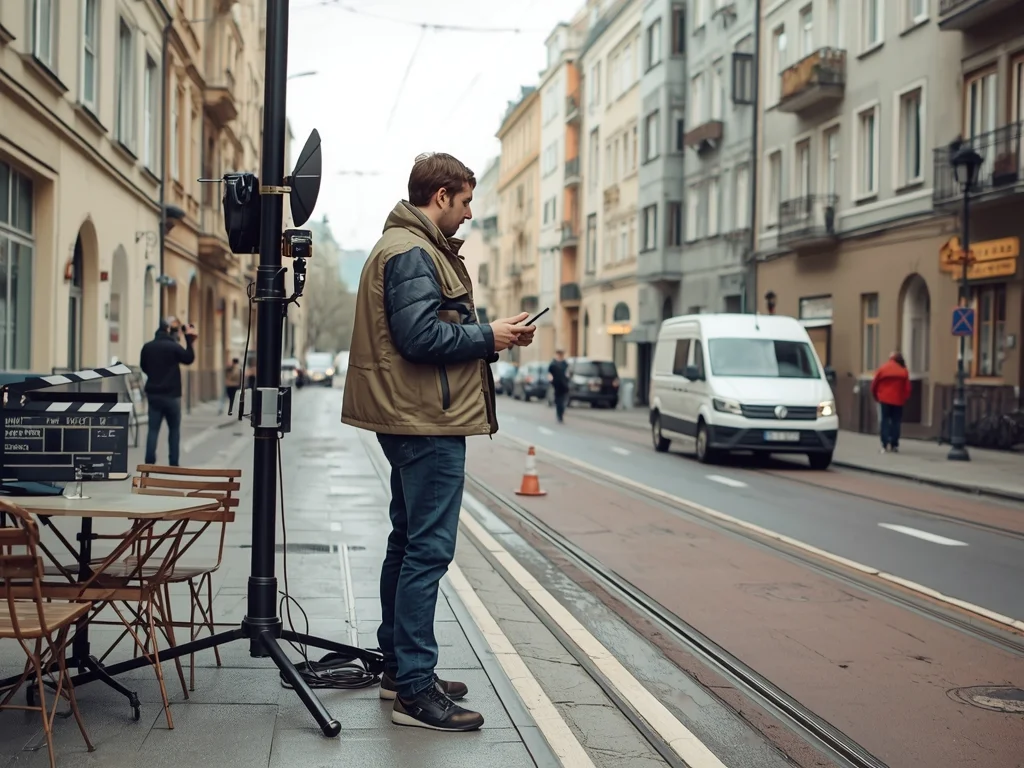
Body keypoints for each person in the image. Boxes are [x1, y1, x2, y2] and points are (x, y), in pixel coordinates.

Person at [342, 152, 535, 732]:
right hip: (425, 419)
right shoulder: (412, 252)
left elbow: (425, 328)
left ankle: (401, 672)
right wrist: (489, 334)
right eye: (467, 201)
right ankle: (415, 692)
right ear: (441, 196)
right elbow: (419, 335)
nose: (471, 213)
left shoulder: (410, 247)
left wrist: (488, 337)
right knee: (427, 550)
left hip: (415, 413)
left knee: (406, 543)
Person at [140, 317, 197, 466]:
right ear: (168, 330)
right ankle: (173, 463)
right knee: (174, 430)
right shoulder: (174, 347)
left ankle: (149, 461)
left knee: (153, 429)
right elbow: (188, 358)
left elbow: (144, 367)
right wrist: (189, 340)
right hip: (172, 395)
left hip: (153, 395)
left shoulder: (148, 347)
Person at [871, 351, 912, 453]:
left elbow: (874, 384)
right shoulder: (903, 371)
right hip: (898, 400)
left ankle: (884, 444)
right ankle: (894, 444)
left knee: (884, 421)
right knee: (896, 422)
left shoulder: (883, 369)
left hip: (884, 399)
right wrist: (904, 398)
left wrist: (876, 396)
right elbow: (907, 388)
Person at [548, 350, 570, 423]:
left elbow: (568, 373)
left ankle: (561, 413)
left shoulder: (565, 363)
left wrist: (568, 377)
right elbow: (550, 373)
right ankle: (559, 415)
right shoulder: (553, 364)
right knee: (558, 401)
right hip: (556, 384)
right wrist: (551, 380)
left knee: (563, 400)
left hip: (564, 384)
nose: (560, 356)